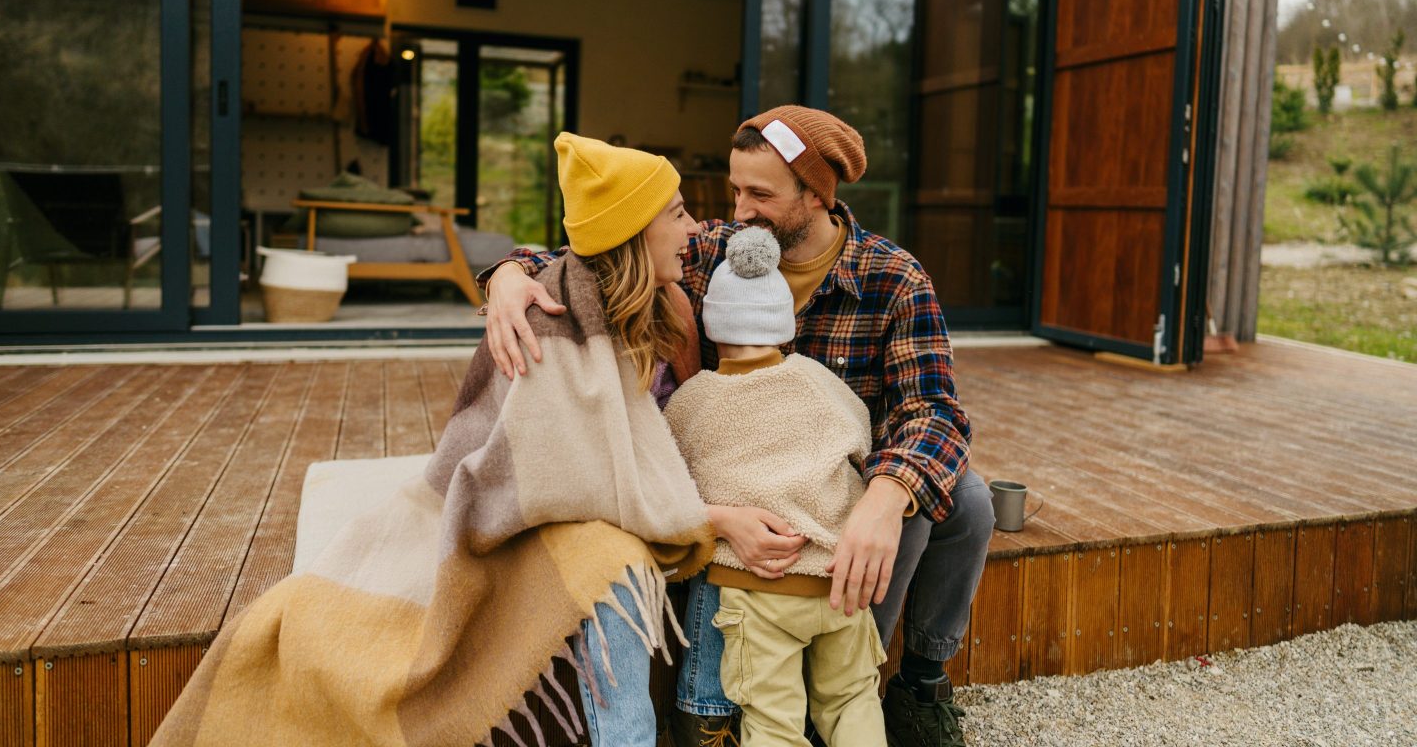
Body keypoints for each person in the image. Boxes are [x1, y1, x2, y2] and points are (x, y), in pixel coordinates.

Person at [151, 131, 716, 747]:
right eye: (679, 214)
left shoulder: (671, 308)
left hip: (626, 499)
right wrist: (715, 518)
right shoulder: (550, 318)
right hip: (523, 514)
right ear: (634, 231)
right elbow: (563, 477)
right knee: (612, 565)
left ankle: (706, 727)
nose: (695, 229)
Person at [483, 106, 995, 747]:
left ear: (816, 196)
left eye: (761, 194)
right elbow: (594, 249)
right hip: (734, 488)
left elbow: (936, 411)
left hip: (835, 483)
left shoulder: (892, 278)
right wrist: (507, 275)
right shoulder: (714, 250)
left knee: (960, 498)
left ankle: (913, 680)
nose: (740, 211)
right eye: (735, 190)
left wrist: (886, 497)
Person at [664, 225, 886, 747]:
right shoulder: (818, 380)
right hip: (836, 581)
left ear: (713, 328)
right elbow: (862, 439)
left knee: (772, 718)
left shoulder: (691, 402)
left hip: (756, 590)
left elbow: (667, 482)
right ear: (785, 327)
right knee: (852, 699)